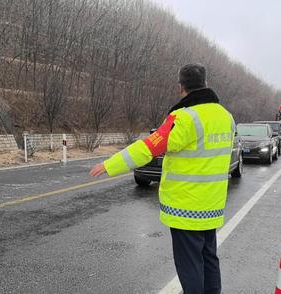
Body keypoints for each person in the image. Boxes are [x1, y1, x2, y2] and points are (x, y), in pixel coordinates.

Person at [90, 63, 235, 294]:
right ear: (206, 84)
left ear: (180, 87)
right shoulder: (226, 116)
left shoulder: (183, 118)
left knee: (190, 266)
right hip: (213, 205)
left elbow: (147, 148)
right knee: (209, 260)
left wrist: (109, 165)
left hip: (186, 208)